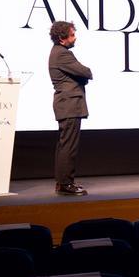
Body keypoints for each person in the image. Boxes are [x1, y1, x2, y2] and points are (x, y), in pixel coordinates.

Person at [48, 20, 93, 196]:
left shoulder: (59, 53)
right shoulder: (62, 54)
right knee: (68, 146)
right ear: (61, 38)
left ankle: (63, 182)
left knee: (65, 145)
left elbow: (82, 75)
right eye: (72, 34)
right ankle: (66, 184)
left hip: (67, 104)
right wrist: (84, 76)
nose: (75, 38)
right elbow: (86, 72)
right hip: (69, 104)